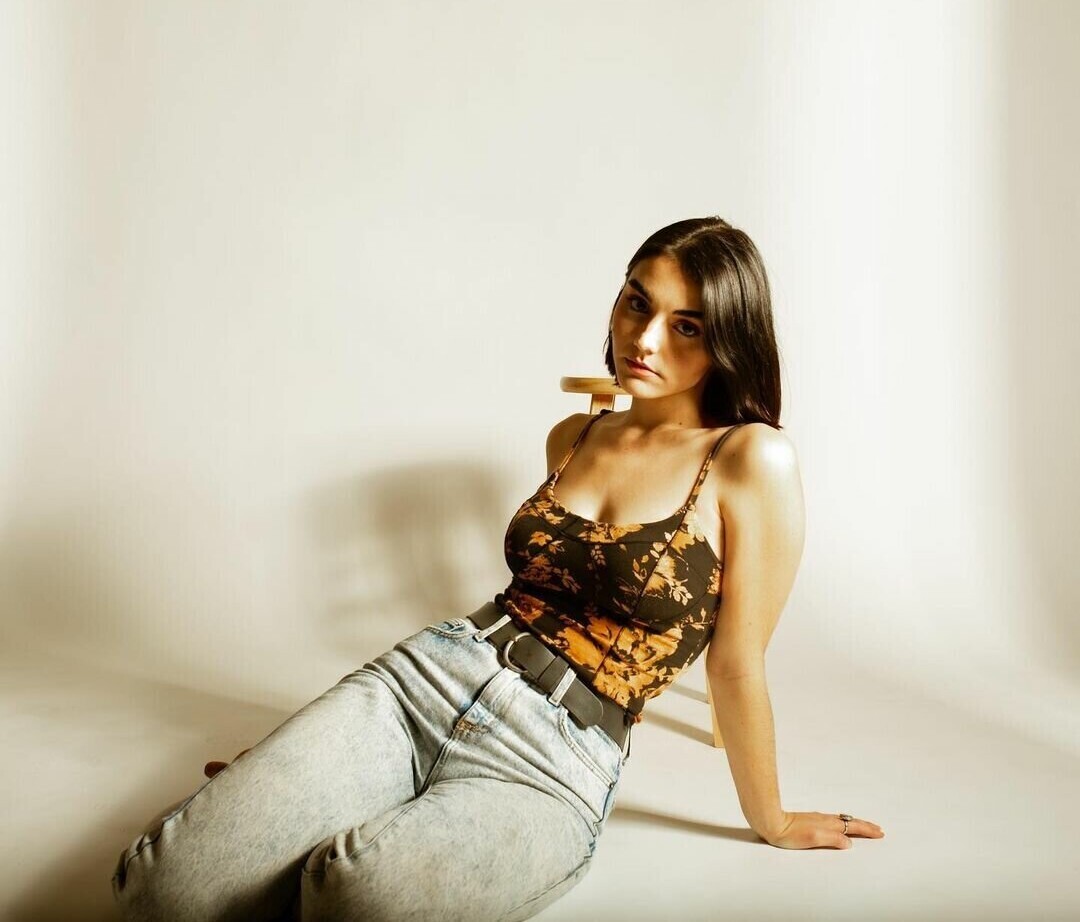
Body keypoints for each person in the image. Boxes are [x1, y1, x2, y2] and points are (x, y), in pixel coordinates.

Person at [111, 216, 884, 922]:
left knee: (354, 899)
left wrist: (772, 818)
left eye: (687, 326)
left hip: (554, 759)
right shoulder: (575, 436)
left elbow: (737, 663)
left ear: (729, 341)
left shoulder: (750, 458)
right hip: (428, 677)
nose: (645, 340)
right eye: (636, 303)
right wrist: (294, 776)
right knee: (162, 890)